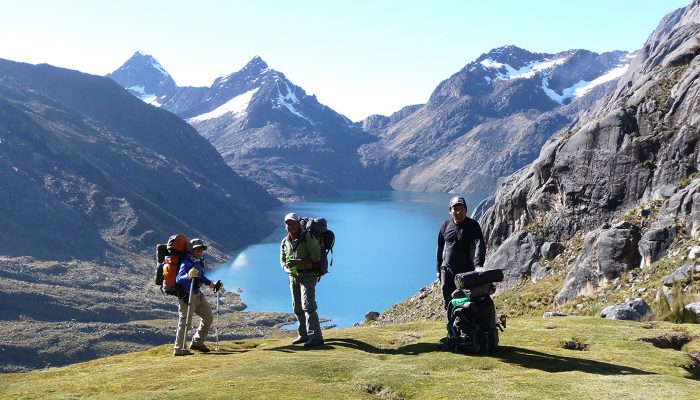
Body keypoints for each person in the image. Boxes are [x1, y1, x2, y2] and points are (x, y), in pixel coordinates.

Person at [280, 212, 324, 347]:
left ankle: (316, 337)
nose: (290, 226)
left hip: (308, 276)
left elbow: (316, 257)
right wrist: (287, 268)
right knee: (297, 307)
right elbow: (282, 260)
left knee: (308, 305)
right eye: (287, 224)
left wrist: (297, 263)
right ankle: (303, 335)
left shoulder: (308, 237)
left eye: (292, 223)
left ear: (298, 224)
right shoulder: (285, 241)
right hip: (293, 277)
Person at [173, 238, 222, 356]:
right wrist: (187, 275)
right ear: (191, 249)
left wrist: (212, 284)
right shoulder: (186, 262)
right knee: (185, 323)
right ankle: (179, 349)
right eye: (196, 249)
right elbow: (178, 279)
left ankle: (197, 342)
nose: (199, 251)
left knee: (208, 317)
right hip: (186, 296)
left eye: (201, 249)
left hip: (197, 294)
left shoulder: (198, 261)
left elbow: (200, 276)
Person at [436, 196, 486, 312]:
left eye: (462, 208)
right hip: (447, 270)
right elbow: (440, 246)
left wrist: (478, 265)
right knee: (448, 301)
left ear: (466, 210)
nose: (459, 212)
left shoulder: (473, 225)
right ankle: (451, 326)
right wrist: (438, 269)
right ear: (450, 211)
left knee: (466, 300)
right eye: (455, 209)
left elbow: (480, 244)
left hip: (466, 270)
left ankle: (467, 326)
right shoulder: (445, 225)